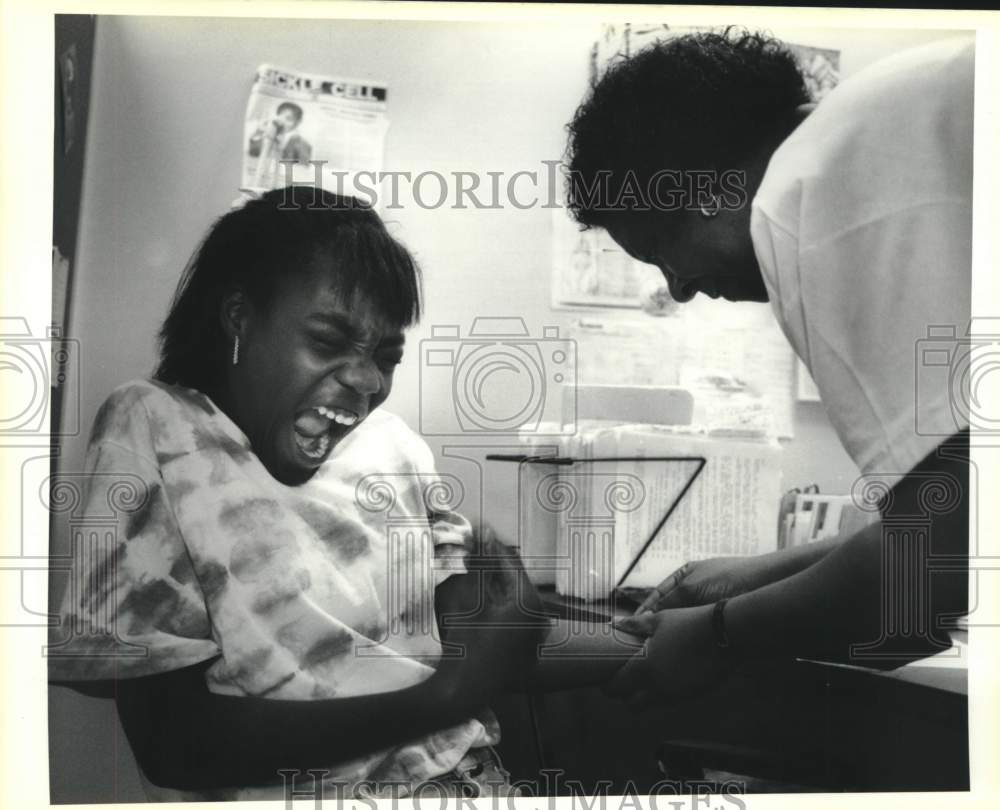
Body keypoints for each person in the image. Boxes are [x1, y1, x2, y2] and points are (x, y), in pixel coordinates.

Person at [48, 187, 562, 801]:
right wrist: (447, 696)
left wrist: (665, 636)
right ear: (239, 317)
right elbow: (174, 747)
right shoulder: (158, 428)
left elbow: (480, 640)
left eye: (387, 356)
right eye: (327, 341)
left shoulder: (391, 446)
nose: (367, 380)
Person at [563, 29, 972, 702]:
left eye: (665, 250)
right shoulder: (890, 123)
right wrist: (758, 576)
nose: (684, 285)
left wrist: (722, 632)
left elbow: (937, 562)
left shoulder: (813, 191)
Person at [248, 101, 313, 165]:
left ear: (297, 123)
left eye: (288, 119)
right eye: (279, 116)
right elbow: (253, 152)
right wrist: (259, 133)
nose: (282, 121)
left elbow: (303, 165)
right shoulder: (266, 132)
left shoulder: (300, 142)